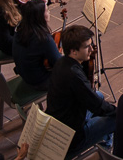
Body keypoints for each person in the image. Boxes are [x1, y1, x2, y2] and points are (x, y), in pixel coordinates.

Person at [46, 25, 116, 156]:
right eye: (87, 47)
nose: (91, 49)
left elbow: (91, 98)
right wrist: (119, 111)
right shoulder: (74, 75)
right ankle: (105, 150)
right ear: (74, 51)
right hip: (71, 137)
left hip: (61, 121)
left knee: (99, 95)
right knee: (114, 119)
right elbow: (97, 106)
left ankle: (103, 139)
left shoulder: (62, 62)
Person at [12, 0, 60, 90]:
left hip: (26, 75)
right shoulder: (43, 38)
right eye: (47, 10)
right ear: (40, 16)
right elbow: (59, 63)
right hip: (39, 81)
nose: (49, 12)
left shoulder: (21, 28)